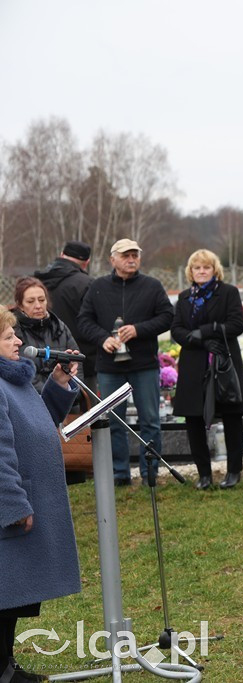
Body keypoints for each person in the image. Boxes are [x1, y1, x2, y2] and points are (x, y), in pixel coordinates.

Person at [0, 309, 81, 682]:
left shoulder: (13, 379)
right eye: (8, 336)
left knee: (14, 594)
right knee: (5, 592)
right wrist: (12, 503)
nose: (18, 340)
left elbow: (37, 423)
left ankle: (6, 664)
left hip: (25, 497)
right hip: (11, 502)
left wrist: (59, 384)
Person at [78, 238, 174, 486]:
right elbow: (84, 321)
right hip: (110, 367)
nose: (131, 260)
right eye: (126, 256)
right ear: (113, 260)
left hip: (144, 365)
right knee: (113, 422)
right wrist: (102, 339)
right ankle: (119, 474)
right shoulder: (97, 287)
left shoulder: (152, 286)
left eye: (135, 255)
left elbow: (167, 316)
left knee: (150, 420)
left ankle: (150, 472)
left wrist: (139, 329)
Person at [170, 250, 243, 490]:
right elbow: (177, 330)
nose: (202, 271)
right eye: (197, 268)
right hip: (194, 362)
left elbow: (236, 325)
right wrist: (199, 341)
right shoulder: (185, 298)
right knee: (193, 418)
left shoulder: (228, 293)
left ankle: (233, 471)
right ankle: (204, 474)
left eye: (206, 267)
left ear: (215, 270)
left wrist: (207, 331)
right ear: (190, 271)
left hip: (223, 360)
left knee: (231, 415)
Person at [34, 240, 96, 391]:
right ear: (86, 262)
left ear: (62, 254)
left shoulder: (37, 281)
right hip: (79, 362)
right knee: (83, 403)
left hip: (39, 359)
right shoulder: (87, 284)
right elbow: (93, 322)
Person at [12, 277, 80, 393]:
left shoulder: (59, 327)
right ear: (20, 305)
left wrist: (73, 392)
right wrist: (49, 393)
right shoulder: (13, 331)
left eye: (42, 300)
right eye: (30, 301)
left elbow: (77, 364)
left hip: (66, 395)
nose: (38, 306)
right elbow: (18, 370)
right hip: (31, 397)